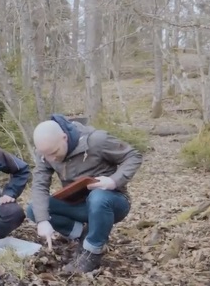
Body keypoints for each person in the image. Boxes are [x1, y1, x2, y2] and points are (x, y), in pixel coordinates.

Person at [26, 114, 143, 273]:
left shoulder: (96, 140)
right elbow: (40, 184)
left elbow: (133, 155)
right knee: (35, 209)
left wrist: (114, 180)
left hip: (112, 202)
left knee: (98, 197)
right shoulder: (46, 152)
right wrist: (42, 221)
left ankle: (92, 252)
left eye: (54, 152)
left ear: (64, 138)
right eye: (45, 155)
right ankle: (83, 234)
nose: (51, 158)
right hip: (78, 205)